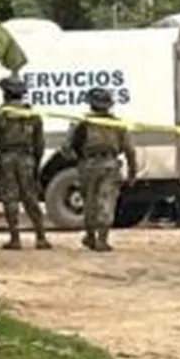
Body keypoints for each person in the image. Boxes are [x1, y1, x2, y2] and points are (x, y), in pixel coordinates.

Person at [63, 87, 137, 252]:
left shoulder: (80, 123)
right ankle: (102, 239)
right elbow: (130, 150)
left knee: (89, 202)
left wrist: (78, 160)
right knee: (107, 202)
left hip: (88, 166)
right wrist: (133, 172)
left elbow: (66, 148)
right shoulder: (117, 124)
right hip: (110, 166)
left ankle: (90, 236)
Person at [0, 75, 51, 250]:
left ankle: (15, 238)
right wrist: (36, 162)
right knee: (31, 198)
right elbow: (40, 143)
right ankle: (41, 237)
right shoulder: (32, 115)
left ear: (5, 94)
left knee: (10, 198)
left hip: (6, 159)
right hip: (27, 159)